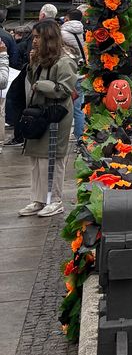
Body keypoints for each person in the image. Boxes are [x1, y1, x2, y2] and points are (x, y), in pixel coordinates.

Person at [18, 20, 78, 217]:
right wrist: (31, 65)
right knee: (36, 159)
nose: (33, 41)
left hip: (55, 117)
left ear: (48, 38)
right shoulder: (42, 59)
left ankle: (55, 199)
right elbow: (33, 82)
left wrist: (41, 85)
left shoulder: (64, 61)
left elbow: (64, 90)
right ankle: (38, 199)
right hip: (39, 115)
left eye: (37, 37)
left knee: (52, 159)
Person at [61, 9, 87, 142]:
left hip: (68, 72)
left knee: (66, 105)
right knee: (79, 106)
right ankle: (79, 136)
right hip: (81, 71)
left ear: (67, 18)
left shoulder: (62, 32)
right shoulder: (84, 31)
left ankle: (65, 135)